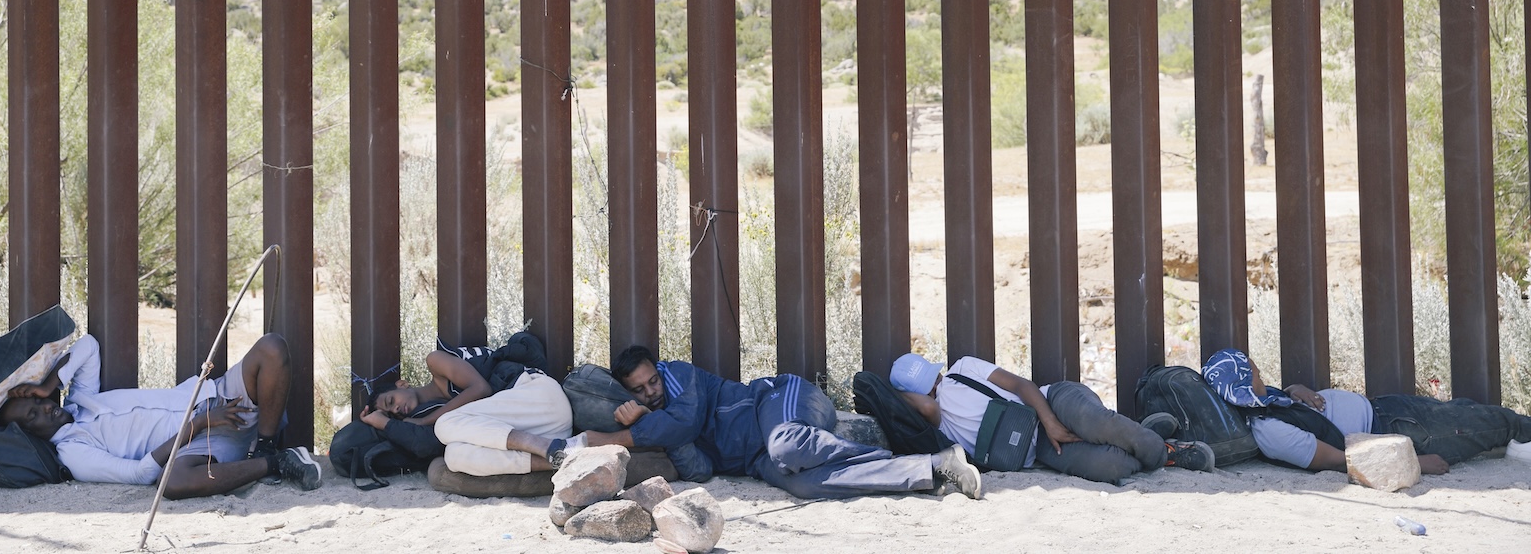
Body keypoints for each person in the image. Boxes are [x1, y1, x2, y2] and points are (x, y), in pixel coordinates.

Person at [540, 344, 983, 501]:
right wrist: (651, 425)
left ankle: (916, 454)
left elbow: (685, 423)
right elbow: (700, 470)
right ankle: (932, 469)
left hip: (779, 399)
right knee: (805, 485)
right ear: (627, 392)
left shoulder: (681, 376)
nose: (651, 391)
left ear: (660, 371)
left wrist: (610, 436)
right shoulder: (662, 419)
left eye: (652, 381)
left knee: (786, 445)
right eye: (639, 390)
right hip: (757, 457)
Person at [0, 333, 321, 498]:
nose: (45, 408)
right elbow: (140, 473)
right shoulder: (74, 452)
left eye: (38, 403)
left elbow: (89, 345)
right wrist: (198, 425)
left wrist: (48, 383)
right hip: (202, 443)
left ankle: (264, 444)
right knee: (171, 483)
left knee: (272, 347)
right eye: (33, 416)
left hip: (218, 396)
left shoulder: (81, 400)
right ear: (29, 435)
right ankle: (277, 462)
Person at [889, 352, 1215, 485]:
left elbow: (1021, 385)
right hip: (1040, 450)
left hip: (1052, 401)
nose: (938, 382)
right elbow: (929, 408)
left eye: (934, 375)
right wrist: (898, 395)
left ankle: (1168, 453)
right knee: (1110, 467)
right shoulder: (936, 420)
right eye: (930, 384)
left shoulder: (962, 369)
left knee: (1096, 422)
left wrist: (1050, 421)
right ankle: (1145, 436)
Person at [1202, 348, 1531, 475]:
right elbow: (1337, 460)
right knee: (1491, 424)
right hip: (1401, 432)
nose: (1262, 376)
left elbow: (1289, 406)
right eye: (1256, 373)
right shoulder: (1270, 431)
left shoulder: (1262, 402)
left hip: (1385, 408)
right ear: (1244, 384)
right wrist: (1416, 463)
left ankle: (1519, 445)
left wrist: (1291, 389)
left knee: (1464, 410)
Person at [358, 333, 574, 476]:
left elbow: (481, 389)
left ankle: (547, 449)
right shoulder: (450, 412)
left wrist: (423, 420)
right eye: (392, 412)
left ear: (402, 384)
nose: (396, 409)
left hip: (540, 396)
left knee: (444, 425)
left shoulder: (435, 362)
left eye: (391, 401)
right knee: (454, 456)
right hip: (547, 432)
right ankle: (564, 458)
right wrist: (383, 423)